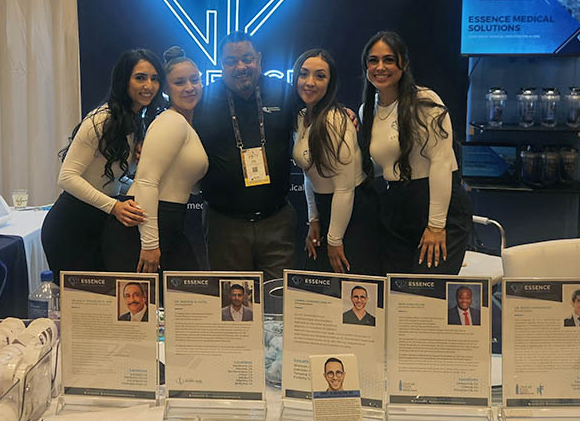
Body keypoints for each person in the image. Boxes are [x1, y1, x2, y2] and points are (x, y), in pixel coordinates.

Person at [42, 49, 164, 281]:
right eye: (140, 78)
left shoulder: (136, 121)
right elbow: (67, 177)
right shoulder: (101, 119)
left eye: (155, 78)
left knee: (104, 300)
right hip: (71, 225)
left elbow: (111, 179)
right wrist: (115, 207)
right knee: (79, 301)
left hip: (101, 224)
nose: (149, 85)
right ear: (124, 80)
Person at [360, 31, 472, 275]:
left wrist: (436, 226)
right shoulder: (366, 111)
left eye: (389, 60)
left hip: (437, 206)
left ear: (404, 64)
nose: (380, 67)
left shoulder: (425, 100)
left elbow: (442, 163)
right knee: (397, 291)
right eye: (373, 60)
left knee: (426, 291)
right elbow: (382, 166)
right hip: (396, 208)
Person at [194, 31, 300, 279]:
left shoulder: (284, 92)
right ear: (221, 64)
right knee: (232, 299)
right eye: (231, 61)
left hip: (276, 220)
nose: (240, 67)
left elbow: (316, 114)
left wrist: (343, 113)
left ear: (259, 59)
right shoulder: (202, 100)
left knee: (278, 297)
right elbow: (174, 122)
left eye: (247, 59)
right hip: (224, 224)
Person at [110, 47, 207, 274]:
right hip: (148, 224)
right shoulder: (171, 121)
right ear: (166, 89)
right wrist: (150, 244)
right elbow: (146, 182)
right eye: (179, 82)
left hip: (170, 222)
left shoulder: (185, 123)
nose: (189, 87)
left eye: (194, 80)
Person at [294, 49, 382, 275]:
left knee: (348, 284)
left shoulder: (336, 121)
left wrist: (334, 240)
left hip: (352, 214)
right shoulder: (302, 117)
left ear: (330, 83)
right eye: (303, 74)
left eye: (320, 76)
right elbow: (309, 174)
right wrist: (314, 219)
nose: (310, 82)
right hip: (326, 210)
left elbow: (345, 189)